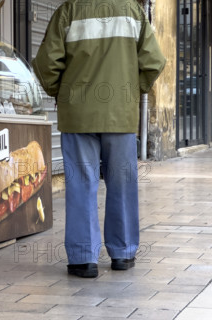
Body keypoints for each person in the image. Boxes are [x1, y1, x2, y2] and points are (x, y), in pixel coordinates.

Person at [32, 0, 166, 278]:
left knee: (81, 183)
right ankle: (123, 252)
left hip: (78, 113)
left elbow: (46, 62)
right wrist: (130, 92)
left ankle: (83, 259)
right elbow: (154, 61)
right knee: (122, 183)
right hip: (120, 113)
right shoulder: (132, 10)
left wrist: (61, 93)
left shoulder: (68, 10)